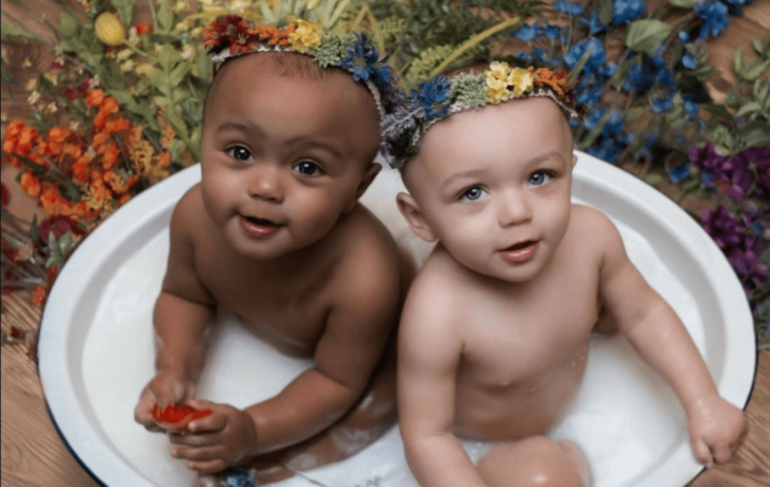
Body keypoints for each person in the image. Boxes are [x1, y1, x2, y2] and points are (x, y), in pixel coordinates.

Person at [382, 62, 748, 487]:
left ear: (570, 172)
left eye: (540, 177)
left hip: (557, 378)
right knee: (546, 478)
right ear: (420, 217)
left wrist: (702, 400)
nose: (518, 213)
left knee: (619, 301)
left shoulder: (592, 236)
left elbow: (645, 313)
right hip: (490, 443)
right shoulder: (438, 313)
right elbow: (428, 436)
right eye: (473, 193)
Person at [133, 15, 414, 485]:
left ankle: (269, 473)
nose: (265, 186)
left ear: (359, 189)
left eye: (307, 167)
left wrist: (252, 431)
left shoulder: (364, 277)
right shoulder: (194, 219)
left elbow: (338, 382)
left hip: (372, 361)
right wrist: (175, 366)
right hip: (317, 361)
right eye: (240, 152)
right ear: (202, 141)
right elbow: (186, 296)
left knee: (376, 409)